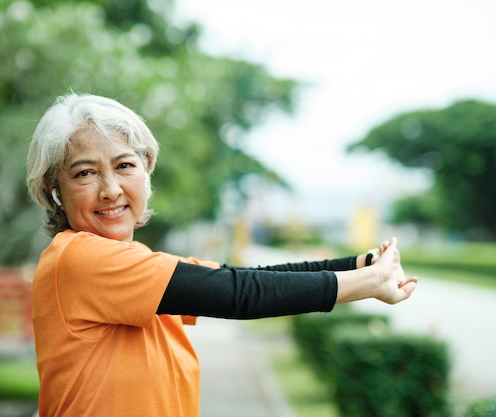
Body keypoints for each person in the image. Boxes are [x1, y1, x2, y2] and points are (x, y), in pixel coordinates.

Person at [26, 92, 418, 417]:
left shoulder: (132, 261)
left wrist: (357, 265)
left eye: (124, 165)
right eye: (84, 173)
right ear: (53, 187)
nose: (110, 189)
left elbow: (248, 276)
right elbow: (238, 293)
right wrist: (369, 283)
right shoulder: (81, 259)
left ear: (146, 169)